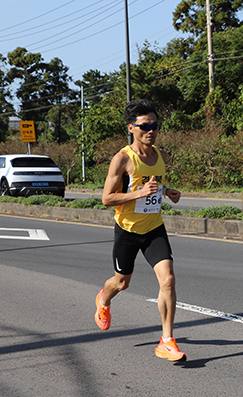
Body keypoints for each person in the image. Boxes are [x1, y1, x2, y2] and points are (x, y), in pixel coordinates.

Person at [94, 99, 187, 363]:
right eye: (145, 126)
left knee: (168, 280)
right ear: (131, 128)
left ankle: (166, 341)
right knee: (121, 282)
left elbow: (155, 184)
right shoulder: (122, 159)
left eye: (155, 125)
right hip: (127, 230)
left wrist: (167, 192)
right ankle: (103, 299)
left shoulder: (160, 155)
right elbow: (107, 198)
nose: (152, 130)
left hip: (154, 227)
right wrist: (137, 194)